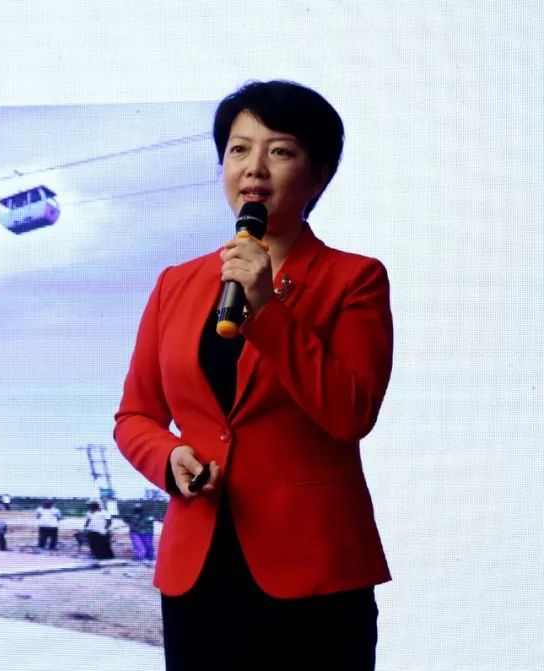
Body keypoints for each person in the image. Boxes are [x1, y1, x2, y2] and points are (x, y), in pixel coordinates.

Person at [114, 80, 393, 670]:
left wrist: (266, 309)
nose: (254, 167)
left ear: (319, 176)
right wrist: (170, 457)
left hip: (315, 569)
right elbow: (135, 415)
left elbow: (351, 413)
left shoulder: (356, 279)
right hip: (198, 569)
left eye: (280, 150)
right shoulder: (175, 284)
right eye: (239, 149)